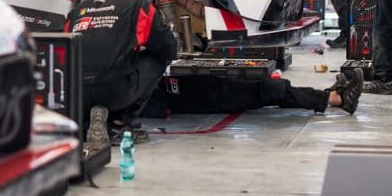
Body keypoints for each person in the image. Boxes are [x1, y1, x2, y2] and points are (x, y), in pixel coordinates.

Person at [64, 0, 178, 156]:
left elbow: (65, 49)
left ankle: (88, 122)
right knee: (157, 58)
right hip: (115, 92)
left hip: (77, 93)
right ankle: (118, 123)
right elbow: (168, 48)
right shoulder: (137, 6)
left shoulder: (77, 11)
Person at [151, 69, 362, 118]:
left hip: (182, 87)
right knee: (262, 90)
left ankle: (328, 96)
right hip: (187, 97)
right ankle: (338, 99)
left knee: (259, 87)